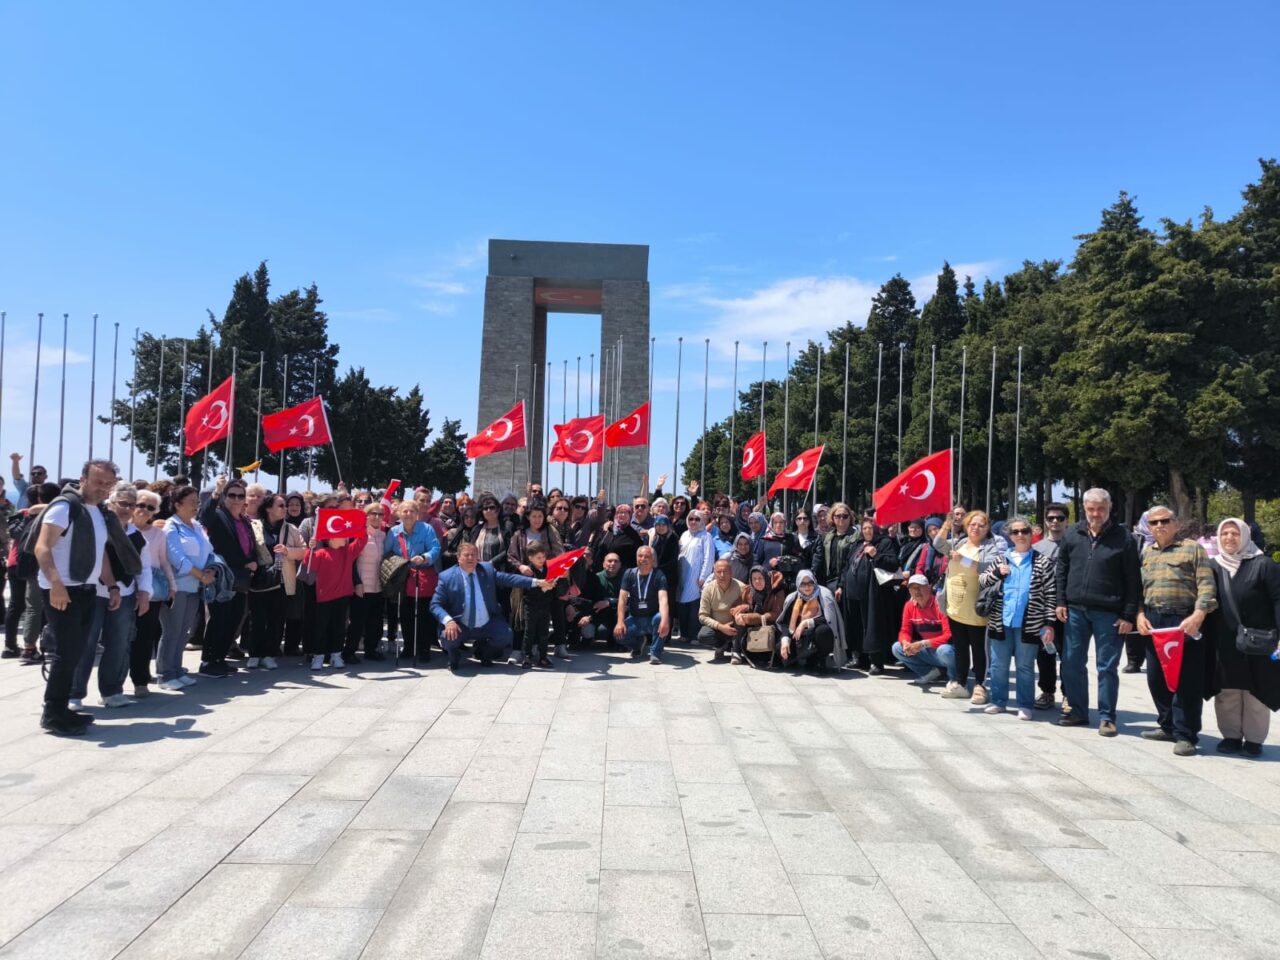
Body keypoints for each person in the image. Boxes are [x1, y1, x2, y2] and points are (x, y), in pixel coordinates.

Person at [33, 460, 124, 735]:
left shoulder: (97, 511)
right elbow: (42, 547)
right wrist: (56, 585)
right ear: (83, 479)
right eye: (98, 482)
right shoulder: (65, 507)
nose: (103, 488)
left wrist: (112, 586)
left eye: (108, 484)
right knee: (65, 653)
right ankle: (53, 714)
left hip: (85, 589)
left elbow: (100, 552)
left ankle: (62, 709)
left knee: (76, 652)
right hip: (63, 590)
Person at [1054, 488, 1141, 736]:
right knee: (1072, 663)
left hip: (1110, 613)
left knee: (1107, 667)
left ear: (1109, 508)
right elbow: (1062, 570)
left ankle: (1107, 717)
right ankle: (1078, 711)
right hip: (1075, 611)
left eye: (1101, 508)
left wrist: (1128, 615)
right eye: (1091, 509)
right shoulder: (1073, 533)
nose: (1096, 513)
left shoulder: (1124, 538)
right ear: (1084, 508)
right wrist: (1060, 601)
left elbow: (1133, 580)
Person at [1135, 505, 1217, 755]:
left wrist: (1198, 615)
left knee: (1186, 680)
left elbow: (1206, 584)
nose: (1159, 526)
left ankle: (1186, 734)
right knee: (1156, 677)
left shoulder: (1192, 548)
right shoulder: (1147, 553)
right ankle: (1167, 725)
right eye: (1154, 523)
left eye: (1165, 521)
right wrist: (1139, 615)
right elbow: (1139, 589)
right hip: (1154, 620)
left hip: (1184, 620)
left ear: (1176, 524)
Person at [70, 481, 150, 710]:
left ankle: (112, 691)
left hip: (125, 593)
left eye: (132, 504)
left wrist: (145, 592)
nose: (127, 508)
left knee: (119, 643)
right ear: (111, 502)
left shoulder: (137, 536)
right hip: (94, 592)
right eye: (123, 503)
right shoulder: (98, 527)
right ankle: (73, 693)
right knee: (85, 643)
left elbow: (144, 568)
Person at [1207, 518, 1280, 756]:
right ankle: (1230, 736)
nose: (1229, 538)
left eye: (1235, 533)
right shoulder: (1213, 566)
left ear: (1246, 536)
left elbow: (1278, 600)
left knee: (1256, 690)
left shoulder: (1264, 565)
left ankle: (1254, 741)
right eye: (1225, 533)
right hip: (1224, 640)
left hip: (1259, 640)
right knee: (1227, 690)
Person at [978, 516, 1057, 720]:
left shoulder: (1042, 561)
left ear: (1031, 534)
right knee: (998, 665)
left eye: (1024, 531)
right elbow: (983, 580)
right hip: (1000, 622)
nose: (1020, 535)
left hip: (1030, 624)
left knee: (1025, 666)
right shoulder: (1001, 559)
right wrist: (996, 573)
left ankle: (1025, 704)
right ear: (1010, 536)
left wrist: (1049, 624)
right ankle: (998, 701)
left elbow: (1050, 594)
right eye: (1015, 532)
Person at [431, 541, 552, 671]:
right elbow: (435, 604)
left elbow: (509, 579)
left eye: (473, 555)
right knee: (447, 637)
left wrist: (536, 582)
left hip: (487, 622)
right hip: (460, 624)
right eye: (466, 555)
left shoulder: (487, 570)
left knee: (505, 635)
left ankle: (484, 654)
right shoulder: (447, 577)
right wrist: (448, 621)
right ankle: (454, 657)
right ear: (458, 558)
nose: (470, 558)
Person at [937, 510, 1003, 703]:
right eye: (973, 524)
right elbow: (938, 544)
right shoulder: (959, 543)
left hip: (976, 608)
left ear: (987, 528)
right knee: (960, 647)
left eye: (981, 525)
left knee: (979, 649)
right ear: (966, 525)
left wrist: (964, 560)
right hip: (955, 606)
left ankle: (981, 685)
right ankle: (961, 683)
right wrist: (947, 524)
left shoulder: (990, 547)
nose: (976, 528)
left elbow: (989, 567)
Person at [157, 485, 215, 691]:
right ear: (177, 504)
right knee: (172, 631)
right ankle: (165, 674)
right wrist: (201, 575)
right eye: (191, 502)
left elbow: (210, 551)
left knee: (183, 632)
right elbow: (176, 557)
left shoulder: (197, 526)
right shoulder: (171, 526)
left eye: (197, 501)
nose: (196, 505)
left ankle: (177, 670)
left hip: (194, 587)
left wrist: (211, 570)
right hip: (176, 587)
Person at [198, 478, 257, 677]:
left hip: (240, 578)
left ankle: (219, 658)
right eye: (232, 495)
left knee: (233, 619)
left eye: (240, 496)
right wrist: (216, 493)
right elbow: (204, 518)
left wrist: (252, 561)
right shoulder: (218, 515)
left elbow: (249, 546)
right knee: (219, 619)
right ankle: (208, 661)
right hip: (222, 575)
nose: (236, 499)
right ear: (224, 497)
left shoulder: (244, 520)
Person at [244, 494, 301, 670]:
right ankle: (254, 654)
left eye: (285, 506)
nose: (285, 509)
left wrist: (288, 551)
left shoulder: (291, 528)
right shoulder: (253, 525)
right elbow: (246, 548)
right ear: (268, 508)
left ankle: (269, 654)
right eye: (281, 505)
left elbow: (304, 551)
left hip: (282, 580)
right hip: (259, 579)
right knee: (257, 619)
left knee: (276, 620)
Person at [384, 500, 442, 664]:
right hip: (402, 578)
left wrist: (424, 557)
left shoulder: (426, 529)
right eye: (405, 511)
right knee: (405, 614)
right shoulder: (393, 532)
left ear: (417, 514)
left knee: (423, 615)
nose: (408, 514)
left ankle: (424, 648)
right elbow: (386, 553)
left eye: (412, 511)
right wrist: (397, 563)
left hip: (422, 577)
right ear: (399, 514)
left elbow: (435, 549)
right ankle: (409, 647)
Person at [842, 517, 901, 675]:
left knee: (873, 627)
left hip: (873, 593)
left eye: (870, 528)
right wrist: (842, 585)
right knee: (856, 625)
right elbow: (847, 565)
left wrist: (876, 554)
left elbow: (893, 563)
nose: (867, 531)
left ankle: (876, 662)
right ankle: (860, 658)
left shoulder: (884, 543)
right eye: (864, 528)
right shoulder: (857, 544)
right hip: (853, 593)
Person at [302, 525, 365, 670]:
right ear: (331, 539)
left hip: (342, 597)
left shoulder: (348, 552)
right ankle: (318, 656)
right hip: (324, 598)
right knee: (321, 628)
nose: (346, 537)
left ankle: (336, 655)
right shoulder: (321, 553)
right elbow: (308, 564)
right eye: (342, 535)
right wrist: (310, 549)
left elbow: (361, 542)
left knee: (339, 628)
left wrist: (362, 526)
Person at [130, 488, 172, 697]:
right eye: (140, 505)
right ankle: (112, 684)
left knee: (145, 636)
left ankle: (140, 680)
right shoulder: (121, 528)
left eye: (150, 507)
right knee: (119, 638)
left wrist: (172, 585)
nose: (144, 510)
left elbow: (164, 560)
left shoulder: (158, 534)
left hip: (151, 589)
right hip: (123, 588)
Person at [1033, 502, 1070, 708]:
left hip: (1067, 608)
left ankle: (1068, 694)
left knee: (1068, 654)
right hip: (1042, 609)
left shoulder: (1074, 545)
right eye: (1051, 518)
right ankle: (1047, 691)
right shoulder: (1036, 548)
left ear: (1067, 521)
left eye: (1060, 518)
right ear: (1046, 522)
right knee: (1044, 652)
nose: (1055, 521)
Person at [892, 573, 954, 685]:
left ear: (929, 588)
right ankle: (931, 672)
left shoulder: (940, 604)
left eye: (919, 587)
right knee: (897, 648)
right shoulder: (909, 606)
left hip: (947, 649)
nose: (916, 591)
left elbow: (948, 635)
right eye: (912, 588)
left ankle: (955, 679)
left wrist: (922, 644)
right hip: (929, 650)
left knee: (944, 650)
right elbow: (905, 631)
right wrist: (905, 643)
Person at [777, 569, 844, 672]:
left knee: (823, 631)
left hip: (815, 637)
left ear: (815, 582)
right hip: (798, 638)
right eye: (803, 584)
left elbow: (829, 620)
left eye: (810, 583)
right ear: (798, 584)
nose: (807, 587)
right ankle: (796, 659)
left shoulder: (824, 595)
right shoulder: (793, 598)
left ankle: (818, 660)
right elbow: (785, 623)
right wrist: (785, 640)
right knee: (779, 648)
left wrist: (806, 623)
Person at [614, 544, 670, 664]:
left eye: (647, 556)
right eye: (640, 556)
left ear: (653, 560)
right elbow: (622, 599)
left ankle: (655, 653)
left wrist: (665, 621)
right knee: (618, 635)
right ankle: (637, 646)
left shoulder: (659, 575)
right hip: (635, 618)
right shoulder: (629, 573)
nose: (643, 559)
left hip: (652, 619)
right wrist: (620, 622)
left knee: (661, 618)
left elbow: (663, 599)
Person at [347, 502, 388, 662]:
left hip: (378, 586)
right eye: (373, 513)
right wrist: (356, 582)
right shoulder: (358, 534)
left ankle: (371, 650)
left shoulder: (384, 536)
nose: (377, 517)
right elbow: (351, 561)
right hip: (361, 586)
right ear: (366, 516)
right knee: (357, 622)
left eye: (380, 514)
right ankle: (349, 651)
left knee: (375, 622)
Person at [731, 565, 785, 666]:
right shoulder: (748, 590)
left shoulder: (776, 591)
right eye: (754, 579)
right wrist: (740, 613)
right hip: (752, 627)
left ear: (766, 578)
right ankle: (736, 652)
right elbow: (733, 609)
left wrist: (757, 618)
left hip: (770, 626)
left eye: (760, 578)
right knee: (739, 620)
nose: (757, 581)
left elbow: (777, 613)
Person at [676, 510, 715, 643]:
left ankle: (694, 635)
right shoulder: (684, 535)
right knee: (682, 606)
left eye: (697, 519)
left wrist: (703, 576)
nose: (693, 522)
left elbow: (708, 558)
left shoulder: (706, 536)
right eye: (691, 519)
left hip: (696, 576)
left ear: (702, 521)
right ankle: (684, 634)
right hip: (683, 574)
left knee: (695, 606)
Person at [698, 558, 747, 662]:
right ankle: (721, 646)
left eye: (725, 571)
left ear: (731, 573)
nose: (722, 575)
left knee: (741, 617)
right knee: (703, 635)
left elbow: (750, 605)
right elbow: (702, 616)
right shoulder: (708, 589)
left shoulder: (741, 587)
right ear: (714, 573)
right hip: (718, 628)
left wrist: (743, 608)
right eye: (718, 572)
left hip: (736, 627)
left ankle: (736, 651)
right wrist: (721, 627)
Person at [811, 503, 858, 600]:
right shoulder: (827, 537)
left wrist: (841, 585)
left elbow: (851, 563)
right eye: (838, 516)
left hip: (848, 583)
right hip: (828, 582)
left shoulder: (857, 537)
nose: (841, 518)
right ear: (832, 518)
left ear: (850, 518)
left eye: (845, 516)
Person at [594, 503, 643, 573]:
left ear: (630, 516)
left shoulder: (633, 535)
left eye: (626, 513)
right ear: (616, 515)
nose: (622, 515)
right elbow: (596, 546)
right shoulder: (608, 530)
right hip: (601, 572)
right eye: (620, 512)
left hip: (621, 574)